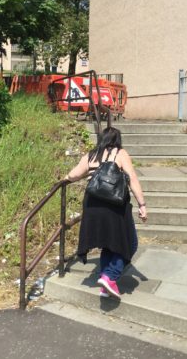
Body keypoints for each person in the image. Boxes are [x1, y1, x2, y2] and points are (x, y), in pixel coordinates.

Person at [64, 126, 148, 299]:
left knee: (108, 244)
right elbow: (132, 179)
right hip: (114, 206)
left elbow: (73, 175)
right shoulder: (120, 154)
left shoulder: (91, 155)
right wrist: (142, 204)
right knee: (129, 243)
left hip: (93, 204)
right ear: (117, 140)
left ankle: (105, 285)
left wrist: (62, 180)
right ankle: (110, 276)